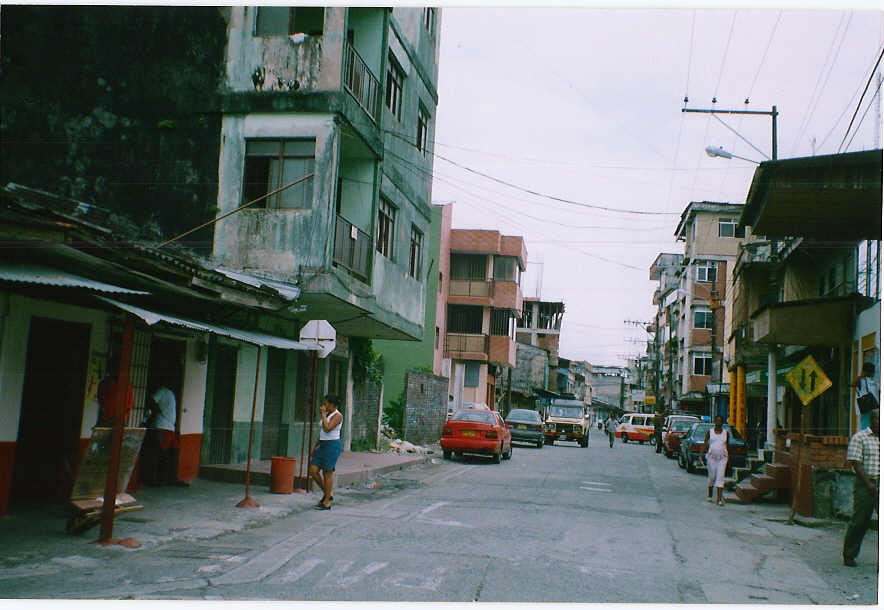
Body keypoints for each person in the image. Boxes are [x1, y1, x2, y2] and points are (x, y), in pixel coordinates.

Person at [842, 408, 879, 567]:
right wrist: (869, 484)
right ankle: (849, 554)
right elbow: (856, 463)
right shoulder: (860, 438)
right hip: (865, 485)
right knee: (860, 522)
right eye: (878, 419)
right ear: (871, 420)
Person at [310, 394, 343, 511]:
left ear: (332, 404)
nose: (324, 405)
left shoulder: (337, 416)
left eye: (326, 403)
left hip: (332, 445)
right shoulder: (327, 414)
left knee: (327, 472)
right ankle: (328, 493)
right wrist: (315, 446)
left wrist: (323, 415)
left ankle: (326, 502)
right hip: (323, 444)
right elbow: (322, 432)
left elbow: (328, 428)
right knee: (313, 470)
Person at [140, 383, 177, 486]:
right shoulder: (166, 392)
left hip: (163, 426)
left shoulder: (164, 391)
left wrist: (154, 412)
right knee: (159, 455)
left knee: (156, 455)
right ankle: (156, 480)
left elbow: (152, 401)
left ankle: (155, 480)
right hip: (164, 426)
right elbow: (152, 401)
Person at [702, 415, 729, 506]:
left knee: (720, 477)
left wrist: (729, 457)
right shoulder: (710, 432)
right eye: (717, 421)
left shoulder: (726, 433)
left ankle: (719, 499)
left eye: (720, 421)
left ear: (722, 423)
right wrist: (701, 454)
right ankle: (710, 494)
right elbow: (705, 443)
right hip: (711, 458)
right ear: (715, 422)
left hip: (722, 459)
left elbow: (727, 445)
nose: (718, 423)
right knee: (712, 476)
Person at [853, 362, 879, 431]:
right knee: (873, 426)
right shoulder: (874, 382)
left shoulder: (860, 380)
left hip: (865, 407)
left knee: (865, 426)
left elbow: (853, 385)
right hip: (874, 406)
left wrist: (861, 376)